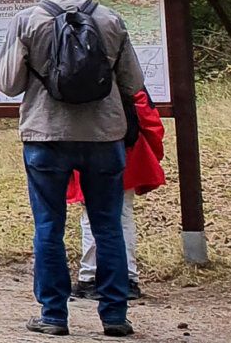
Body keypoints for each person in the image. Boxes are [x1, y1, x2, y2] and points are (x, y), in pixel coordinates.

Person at [0, 0, 146, 337]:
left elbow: (8, 84)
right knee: (107, 225)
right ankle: (114, 314)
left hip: (46, 134)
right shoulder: (110, 20)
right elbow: (133, 82)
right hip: (103, 134)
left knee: (48, 225)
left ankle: (54, 314)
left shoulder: (27, 20)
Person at [70, 87, 164, 300]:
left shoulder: (68, 67)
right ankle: (127, 278)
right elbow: (149, 119)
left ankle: (89, 276)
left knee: (89, 216)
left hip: (82, 148)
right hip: (125, 151)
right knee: (123, 216)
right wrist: (151, 154)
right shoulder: (126, 75)